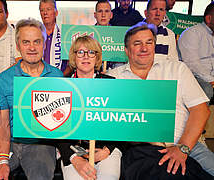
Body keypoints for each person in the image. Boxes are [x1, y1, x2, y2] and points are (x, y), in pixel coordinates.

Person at [108, 22, 214, 178]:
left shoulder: (177, 69)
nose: (144, 48)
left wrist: (182, 148)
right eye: (137, 44)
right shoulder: (113, 77)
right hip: (141, 151)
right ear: (126, 50)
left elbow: (201, 111)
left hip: (187, 144)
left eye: (149, 42)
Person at [0, 18, 63, 180]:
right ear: (18, 46)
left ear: (44, 44)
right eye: (26, 42)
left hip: (42, 143)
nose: (31, 47)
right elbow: (3, 124)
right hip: (9, 141)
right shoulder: (5, 78)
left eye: (37, 42)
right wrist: (3, 162)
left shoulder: (56, 76)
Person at [56, 35, 123, 180]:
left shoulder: (111, 84)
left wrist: (107, 150)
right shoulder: (63, 86)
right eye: (80, 52)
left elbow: (121, 122)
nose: (86, 57)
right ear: (74, 57)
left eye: (91, 52)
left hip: (106, 149)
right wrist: (74, 158)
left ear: (97, 57)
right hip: (72, 150)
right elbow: (55, 128)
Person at [178, 2, 214, 102]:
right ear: (209, 19)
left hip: (210, 77)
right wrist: (211, 80)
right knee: (206, 88)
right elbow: (192, 64)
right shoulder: (192, 33)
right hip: (195, 76)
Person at [39, 0, 71, 76]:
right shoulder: (36, 34)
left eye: (48, 9)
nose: (45, 13)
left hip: (60, 80)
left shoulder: (65, 34)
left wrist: (59, 76)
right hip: (39, 80)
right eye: (42, 10)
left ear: (56, 12)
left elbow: (71, 64)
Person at [94, 0, 126, 72]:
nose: (103, 15)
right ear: (95, 15)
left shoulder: (119, 35)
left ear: (111, 15)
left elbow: (121, 60)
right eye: (100, 11)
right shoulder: (89, 35)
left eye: (106, 11)